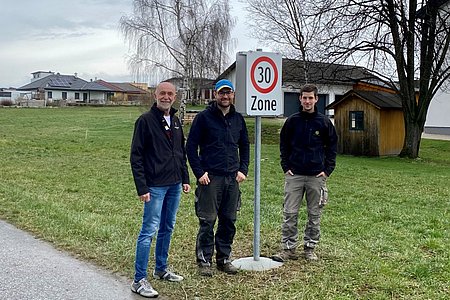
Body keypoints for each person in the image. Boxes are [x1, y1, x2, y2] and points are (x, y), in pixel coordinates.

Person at [130, 81, 191, 298]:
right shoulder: (145, 121)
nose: (166, 97)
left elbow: (179, 152)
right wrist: (142, 187)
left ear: (175, 97)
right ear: (155, 95)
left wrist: (184, 178)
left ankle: (161, 269)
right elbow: (136, 156)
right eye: (162, 93)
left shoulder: (174, 120)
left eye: (170, 94)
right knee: (149, 231)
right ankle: (139, 280)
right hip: (154, 187)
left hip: (174, 184)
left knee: (168, 226)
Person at [186, 79, 250, 277]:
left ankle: (224, 259)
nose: (225, 96)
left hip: (232, 178)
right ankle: (204, 261)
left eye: (228, 93)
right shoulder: (204, 118)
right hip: (210, 178)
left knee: (229, 220)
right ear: (215, 95)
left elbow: (245, 146)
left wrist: (243, 170)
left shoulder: (238, 119)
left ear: (233, 95)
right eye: (221, 93)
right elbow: (190, 147)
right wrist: (199, 173)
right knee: (207, 220)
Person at [272, 84, 337, 262]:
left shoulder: (324, 123)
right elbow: (283, 145)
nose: (307, 101)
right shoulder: (292, 121)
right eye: (304, 97)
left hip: (316, 176)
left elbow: (332, 148)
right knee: (290, 213)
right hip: (295, 175)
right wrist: (286, 167)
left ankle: (310, 247)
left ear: (316, 99)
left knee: (314, 214)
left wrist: (327, 170)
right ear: (300, 99)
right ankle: (288, 248)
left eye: (311, 98)